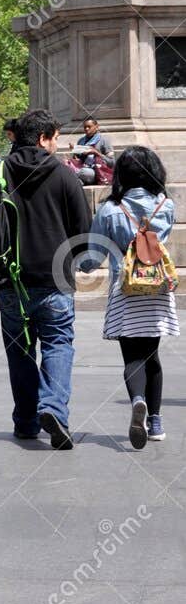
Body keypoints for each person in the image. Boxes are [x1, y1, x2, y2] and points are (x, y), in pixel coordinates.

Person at [0, 107, 91, 448]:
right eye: (55, 138)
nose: (57, 145)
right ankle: (53, 408)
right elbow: (83, 232)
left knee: (19, 350)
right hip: (55, 280)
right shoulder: (66, 176)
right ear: (42, 138)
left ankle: (25, 421)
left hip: (10, 278)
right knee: (58, 343)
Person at [78, 145, 176, 447]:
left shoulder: (110, 209)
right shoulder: (165, 205)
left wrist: (83, 265)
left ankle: (137, 401)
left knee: (132, 355)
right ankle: (156, 422)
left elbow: (94, 255)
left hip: (125, 288)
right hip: (157, 289)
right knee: (153, 356)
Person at [69, 116, 115, 185]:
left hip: (95, 171)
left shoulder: (104, 140)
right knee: (66, 165)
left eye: (89, 126)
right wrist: (75, 154)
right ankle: (78, 181)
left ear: (96, 127)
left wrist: (96, 153)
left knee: (85, 172)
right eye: (85, 127)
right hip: (82, 168)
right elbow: (77, 160)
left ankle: (75, 180)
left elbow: (112, 163)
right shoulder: (81, 141)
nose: (86, 129)